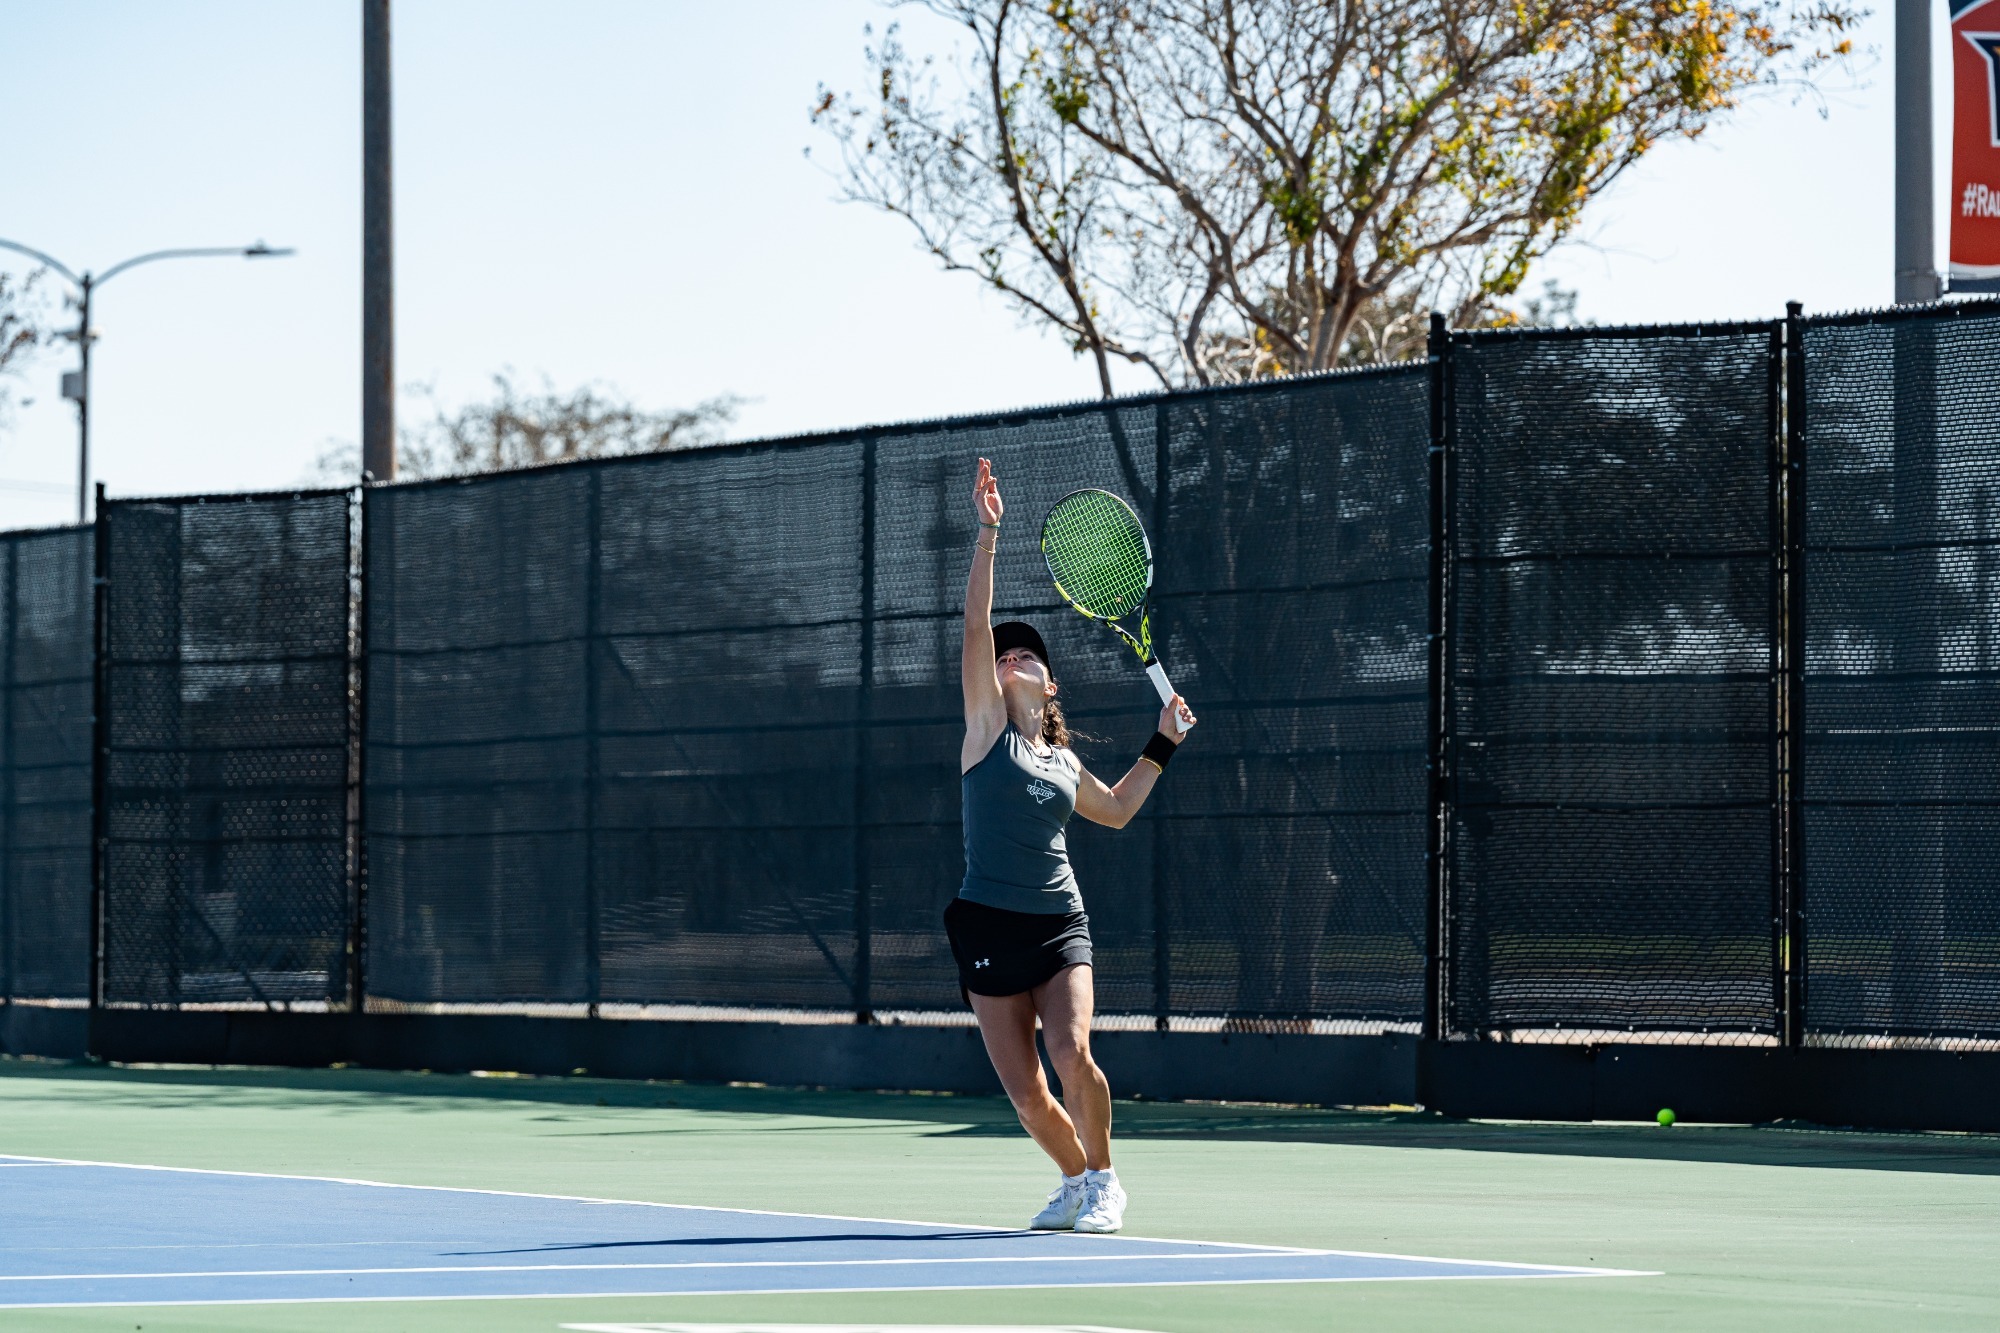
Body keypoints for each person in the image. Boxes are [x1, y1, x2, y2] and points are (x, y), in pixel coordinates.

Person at [946, 456, 1195, 1235]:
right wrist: (988, 534)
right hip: (988, 926)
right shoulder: (985, 730)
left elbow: (1117, 810)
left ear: (1051, 684)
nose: (1013, 655)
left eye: (1029, 654)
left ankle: (1107, 1181)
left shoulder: (1063, 761)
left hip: (1059, 925)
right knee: (1027, 1095)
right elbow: (975, 625)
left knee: (1072, 1050)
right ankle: (1075, 1178)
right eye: (1004, 653)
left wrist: (1162, 744)